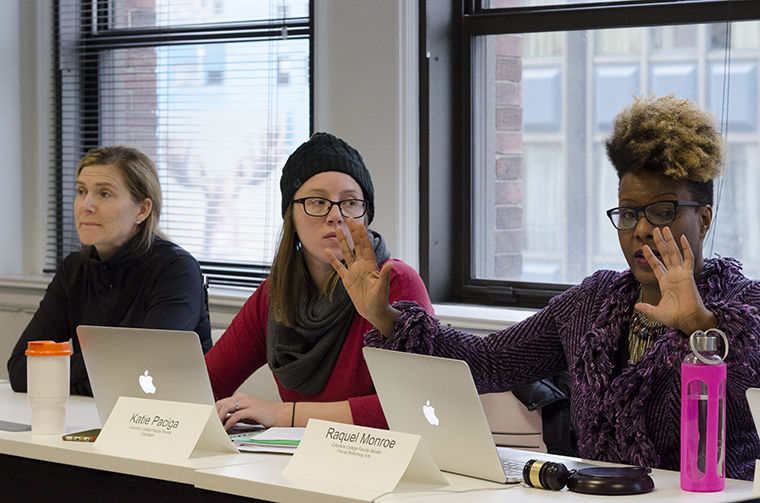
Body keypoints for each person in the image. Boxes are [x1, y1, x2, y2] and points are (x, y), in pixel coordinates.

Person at [329, 95, 760, 480]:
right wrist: (383, 316)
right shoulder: (592, 303)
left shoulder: (744, 307)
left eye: (662, 211)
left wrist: (699, 324)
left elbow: (745, 380)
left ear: (703, 218)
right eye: (628, 214)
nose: (642, 229)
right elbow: (487, 361)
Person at [206, 132, 433, 430]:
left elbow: (416, 404)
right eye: (317, 202)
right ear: (291, 215)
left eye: (350, 202)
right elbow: (206, 383)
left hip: (380, 463)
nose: (335, 215)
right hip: (296, 463)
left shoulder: (395, 282)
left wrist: (282, 415)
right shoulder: (274, 294)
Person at [8, 145, 212, 395]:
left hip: (166, 422)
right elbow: (21, 370)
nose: (87, 205)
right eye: (81, 191)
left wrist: (58, 372)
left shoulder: (176, 270)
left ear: (142, 210)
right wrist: (112, 370)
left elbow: (146, 375)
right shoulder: (73, 269)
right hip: (89, 418)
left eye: (104, 194)